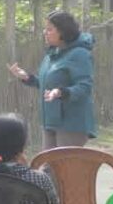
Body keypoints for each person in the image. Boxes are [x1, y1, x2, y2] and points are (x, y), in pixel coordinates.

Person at [7, 10, 97, 148]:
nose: (45, 32)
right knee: (46, 166)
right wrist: (27, 77)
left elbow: (84, 87)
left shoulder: (80, 54)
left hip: (71, 124)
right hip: (50, 121)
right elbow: (47, 84)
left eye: (49, 29)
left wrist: (61, 92)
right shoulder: (52, 54)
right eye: (45, 29)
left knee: (63, 168)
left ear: (63, 32)